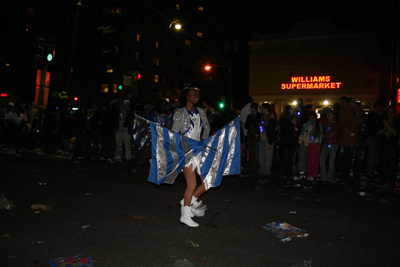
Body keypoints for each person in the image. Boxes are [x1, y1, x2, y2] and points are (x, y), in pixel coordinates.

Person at [171, 87, 210, 227]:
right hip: (187, 152)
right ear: (187, 96)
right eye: (194, 93)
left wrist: (203, 142)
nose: (197, 96)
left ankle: (188, 200)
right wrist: (181, 148)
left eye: (198, 94)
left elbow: (207, 127)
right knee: (192, 184)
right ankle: (185, 215)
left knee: (208, 181)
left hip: (199, 150)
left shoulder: (201, 112)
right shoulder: (180, 113)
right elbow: (174, 133)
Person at [338, 98, 364, 183]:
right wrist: (358, 120)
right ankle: (344, 177)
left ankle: (345, 176)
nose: (355, 104)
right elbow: (349, 124)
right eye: (353, 103)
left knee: (348, 158)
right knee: (347, 159)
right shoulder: (347, 112)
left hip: (350, 139)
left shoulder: (352, 112)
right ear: (349, 104)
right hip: (348, 138)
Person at [377, 106, 400, 190]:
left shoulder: (396, 122)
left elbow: (397, 134)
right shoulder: (383, 121)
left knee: (392, 163)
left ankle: (391, 181)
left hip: (393, 145)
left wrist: (389, 127)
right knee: (383, 163)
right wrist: (385, 128)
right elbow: (377, 133)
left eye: (392, 112)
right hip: (384, 144)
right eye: (389, 112)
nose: (391, 114)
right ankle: (384, 180)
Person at [298, 111, 322, 181]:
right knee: (310, 159)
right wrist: (308, 124)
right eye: (310, 118)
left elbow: (320, 134)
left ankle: (314, 174)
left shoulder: (318, 124)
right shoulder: (308, 124)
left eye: (313, 118)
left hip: (316, 143)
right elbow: (303, 131)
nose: (312, 120)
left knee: (315, 160)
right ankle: (310, 174)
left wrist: (319, 144)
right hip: (309, 143)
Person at [320, 110, 342, 183]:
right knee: (322, 159)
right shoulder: (326, 123)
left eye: (329, 115)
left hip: (333, 143)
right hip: (326, 142)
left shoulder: (337, 124)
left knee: (331, 161)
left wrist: (333, 135)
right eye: (327, 116)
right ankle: (324, 177)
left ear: (333, 116)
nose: (328, 117)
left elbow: (339, 134)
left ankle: (329, 177)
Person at [364, 101, 384, 180]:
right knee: (372, 156)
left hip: (375, 137)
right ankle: (369, 171)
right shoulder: (372, 116)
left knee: (375, 157)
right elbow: (367, 128)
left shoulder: (377, 116)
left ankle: (371, 171)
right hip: (372, 137)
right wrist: (367, 137)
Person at [258, 103, 277, 176]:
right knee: (261, 156)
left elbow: (272, 131)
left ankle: (266, 171)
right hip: (262, 138)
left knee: (268, 156)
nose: (261, 109)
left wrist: (270, 142)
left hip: (267, 139)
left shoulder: (271, 118)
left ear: (266, 109)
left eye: (262, 108)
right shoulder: (261, 117)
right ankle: (262, 169)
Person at [278, 105, 297, 179]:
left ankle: (289, 172)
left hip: (290, 141)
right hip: (286, 141)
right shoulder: (284, 120)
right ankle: (284, 172)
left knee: (290, 158)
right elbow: (286, 130)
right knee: (286, 158)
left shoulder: (289, 119)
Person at [244, 102, 262, 172]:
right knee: (251, 153)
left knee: (256, 153)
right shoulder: (249, 116)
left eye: (252, 108)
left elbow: (259, 125)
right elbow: (246, 125)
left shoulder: (259, 116)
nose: (251, 109)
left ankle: (257, 166)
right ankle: (254, 166)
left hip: (256, 136)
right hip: (250, 135)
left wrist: (257, 132)